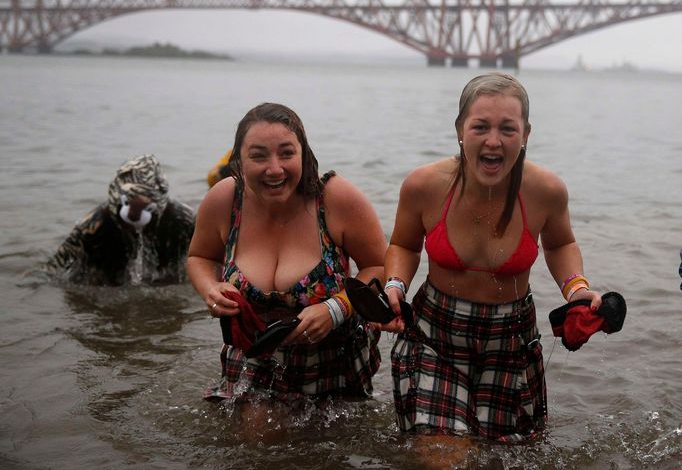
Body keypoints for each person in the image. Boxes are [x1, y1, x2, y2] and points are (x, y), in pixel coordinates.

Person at [382, 73, 602, 443]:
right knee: (442, 454)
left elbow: (559, 245)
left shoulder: (546, 190)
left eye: (508, 129)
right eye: (480, 126)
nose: (493, 141)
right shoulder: (424, 185)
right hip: (437, 335)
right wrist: (394, 286)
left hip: (511, 339)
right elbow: (404, 245)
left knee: (509, 454)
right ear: (460, 129)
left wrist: (577, 289)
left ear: (526, 134)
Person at [187, 102, 386, 416]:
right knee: (256, 443)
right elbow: (199, 256)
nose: (275, 168)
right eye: (258, 155)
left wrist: (335, 309)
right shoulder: (224, 200)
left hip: (332, 361)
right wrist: (209, 289)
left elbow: (380, 268)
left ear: (304, 154)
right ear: (238, 160)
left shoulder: (335, 199)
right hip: (253, 355)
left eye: (286, 153)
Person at [45, 154, 195, 285]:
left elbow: (210, 258)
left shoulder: (183, 220)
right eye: (129, 202)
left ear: (157, 204)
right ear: (118, 197)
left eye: (145, 206)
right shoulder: (93, 226)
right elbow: (52, 271)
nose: (134, 214)